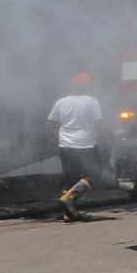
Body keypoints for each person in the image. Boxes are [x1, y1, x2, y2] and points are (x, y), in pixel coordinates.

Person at [47, 73, 107, 222]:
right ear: (88, 86)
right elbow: (98, 123)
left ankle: (68, 214)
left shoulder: (61, 102)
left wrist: (60, 137)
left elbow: (50, 124)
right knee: (94, 174)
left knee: (70, 178)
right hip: (86, 144)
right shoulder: (91, 101)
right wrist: (105, 140)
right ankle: (69, 198)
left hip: (65, 146)